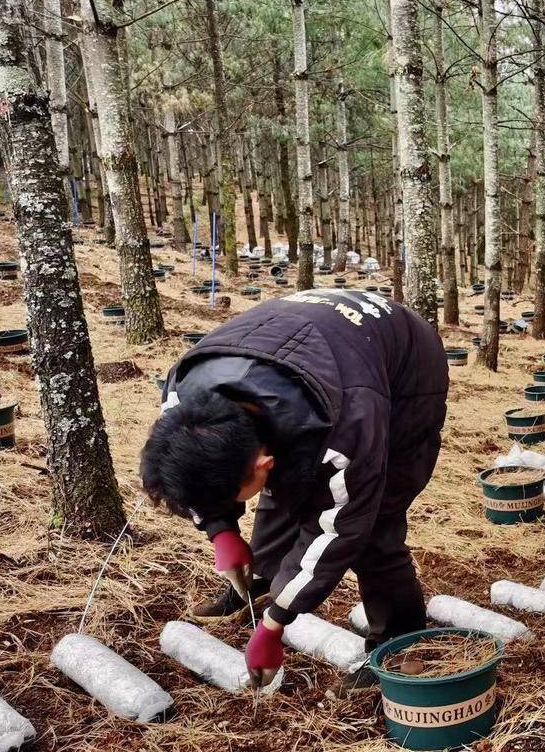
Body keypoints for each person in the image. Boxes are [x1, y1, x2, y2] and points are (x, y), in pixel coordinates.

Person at [140, 290, 450, 691]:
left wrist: (276, 624)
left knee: (375, 525)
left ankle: (397, 644)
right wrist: (221, 531)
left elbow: (340, 527)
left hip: (405, 367)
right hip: (296, 352)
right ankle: (259, 581)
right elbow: (186, 473)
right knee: (281, 489)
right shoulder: (185, 394)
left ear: (262, 463)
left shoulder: (349, 429)